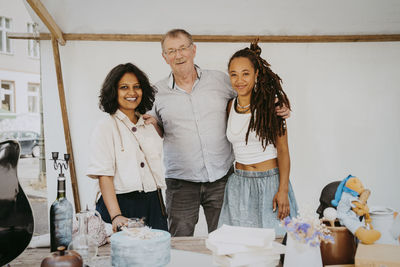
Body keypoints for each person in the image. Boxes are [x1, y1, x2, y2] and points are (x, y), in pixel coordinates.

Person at [144, 29, 290, 237]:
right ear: (164, 56)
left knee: (228, 239)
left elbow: (250, 97)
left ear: (193, 50)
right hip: (181, 183)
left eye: (183, 48)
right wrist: (151, 125)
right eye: (171, 50)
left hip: (222, 179)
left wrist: (279, 105)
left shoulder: (220, 80)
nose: (178, 55)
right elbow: (152, 127)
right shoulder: (156, 92)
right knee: (179, 241)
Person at [217, 41, 298, 237]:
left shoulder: (272, 105)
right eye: (234, 74)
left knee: (275, 242)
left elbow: (283, 151)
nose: (239, 80)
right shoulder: (230, 106)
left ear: (256, 75)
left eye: (245, 73)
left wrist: (283, 190)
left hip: (270, 183)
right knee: (238, 243)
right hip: (239, 184)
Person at [86, 63, 167, 232]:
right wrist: (116, 216)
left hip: (154, 203)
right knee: (123, 256)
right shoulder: (105, 126)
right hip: (120, 205)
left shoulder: (148, 124)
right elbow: (104, 176)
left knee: (156, 254)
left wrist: (157, 126)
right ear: (113, 91)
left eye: (136, 87)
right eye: (124, 87)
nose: (132, 92)